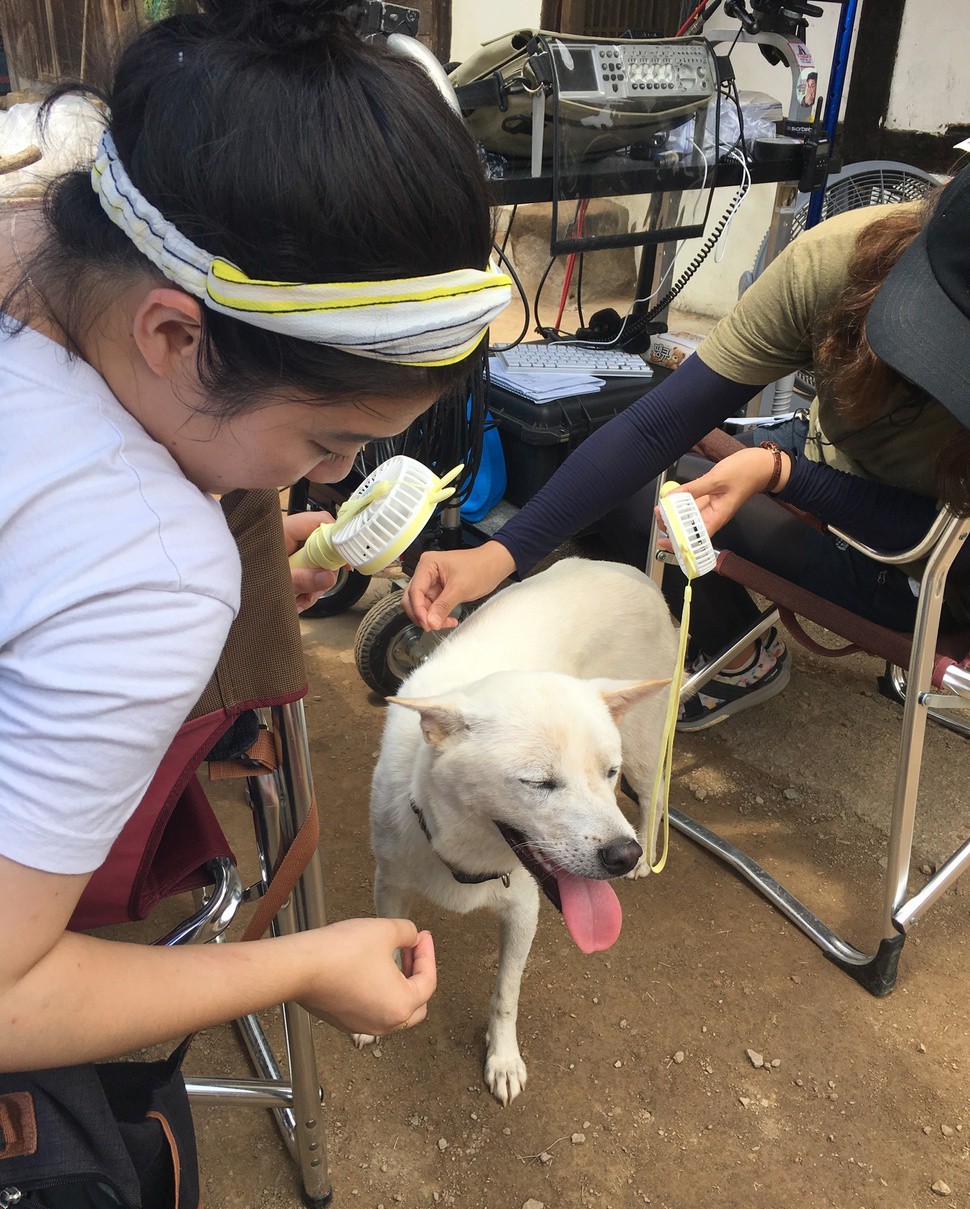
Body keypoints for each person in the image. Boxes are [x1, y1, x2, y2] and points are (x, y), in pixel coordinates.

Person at [0, 0, 512, 1074]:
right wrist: (302, 965)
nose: (329, 476)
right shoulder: (154, 572)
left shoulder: (31, 230)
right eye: (328, 439)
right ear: (175, 332)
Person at [404, 169, 970, 729]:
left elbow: (948, 540)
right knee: (644, 483)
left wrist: (784, 477)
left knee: (659, 502)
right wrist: (501, 554)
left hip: (931, 555)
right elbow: (658, 425)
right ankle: (739, 646)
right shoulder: (842, 263)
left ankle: (740, 664)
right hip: (824, 457)